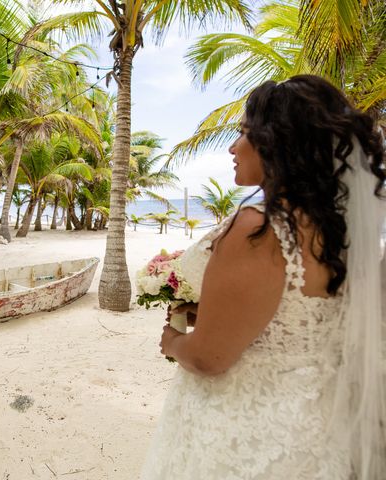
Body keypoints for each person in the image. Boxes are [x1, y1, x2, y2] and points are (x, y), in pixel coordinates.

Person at [140, 75, 385, 479]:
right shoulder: (339, 233)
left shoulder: (259, 228)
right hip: (317, 430)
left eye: (243, 133)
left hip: (243, 429)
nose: (234, 147)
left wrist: (173, 342)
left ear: (278, 141)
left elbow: (209, 358)